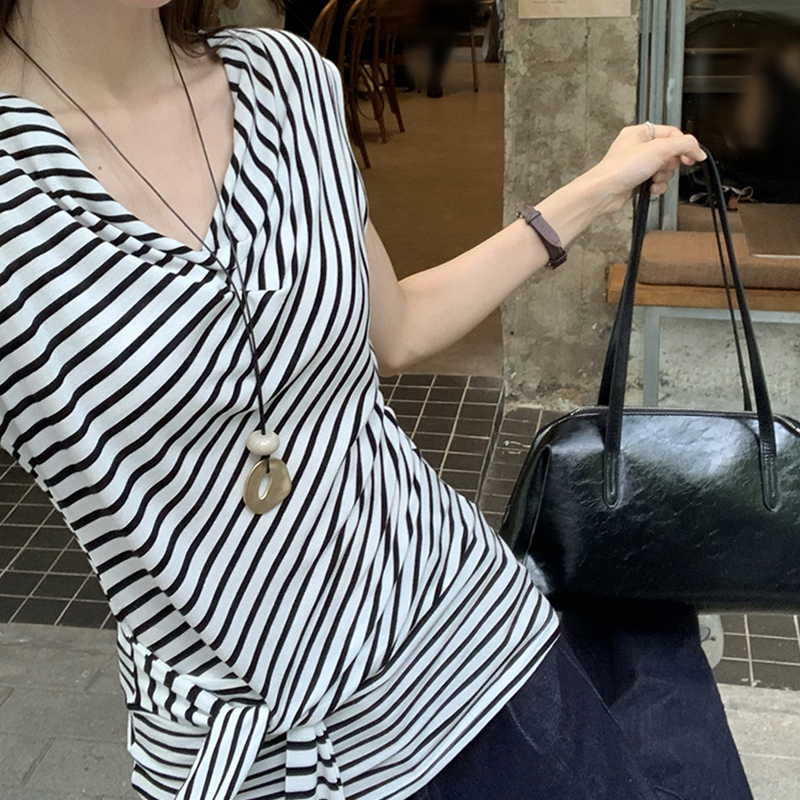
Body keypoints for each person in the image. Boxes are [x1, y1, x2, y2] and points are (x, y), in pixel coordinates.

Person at [0, 2, 751, 799]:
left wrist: (596, 188)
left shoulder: (285, 83)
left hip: (469, 659)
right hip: (238, 752)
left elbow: (398, 326)